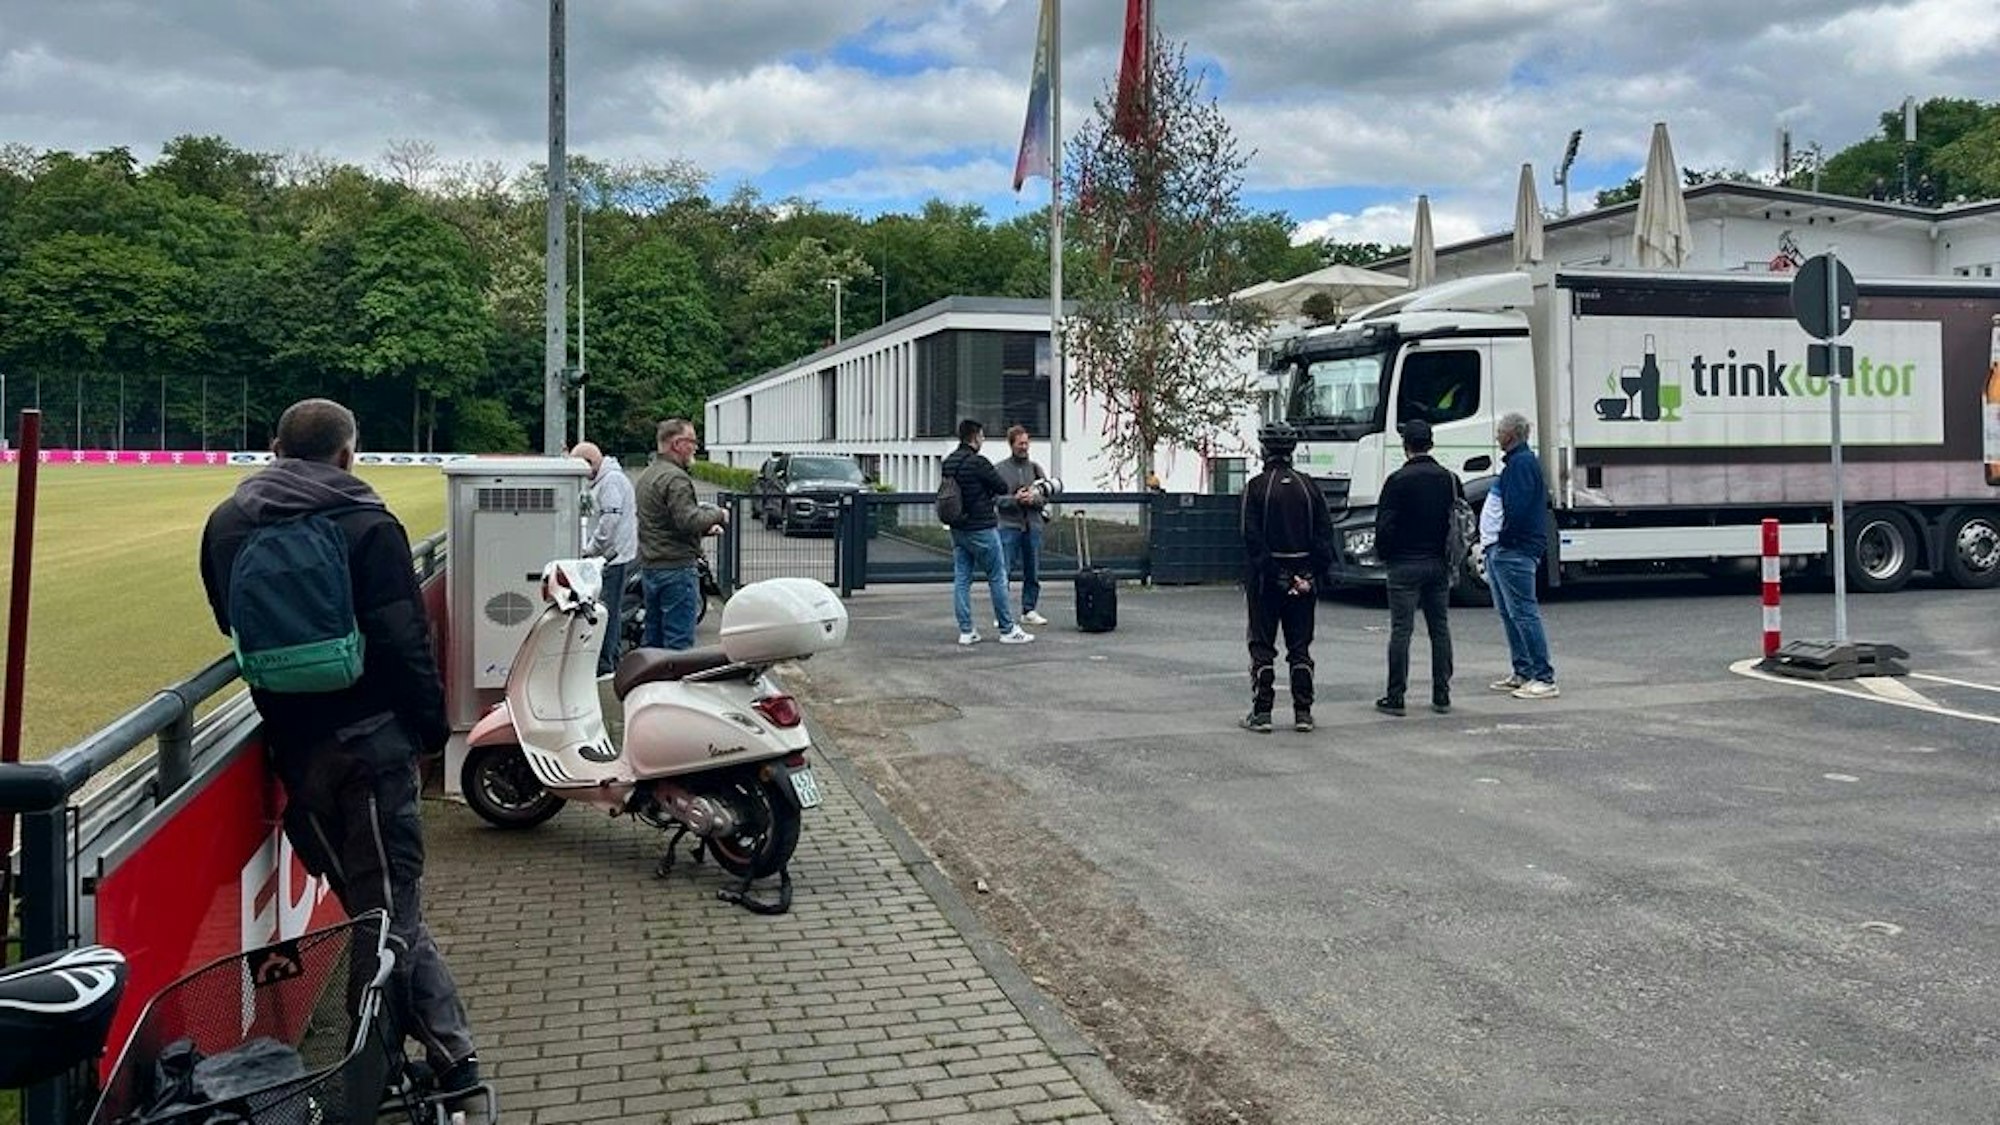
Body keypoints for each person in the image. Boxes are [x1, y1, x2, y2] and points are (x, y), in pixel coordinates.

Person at [198, 398, 478, 1095]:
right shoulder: (367, 521)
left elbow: (227, 617)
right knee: (389, 920)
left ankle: (444, 1054)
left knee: (374, 915)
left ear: (273, 448)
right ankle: (383, 1069)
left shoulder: (228, 522)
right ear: (349, 453)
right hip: (373, 745)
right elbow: (405, 640)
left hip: (296, 749)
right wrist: (429, 731)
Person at [1239, 423, 1333, 733]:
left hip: (1267, 581)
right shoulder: (1310, 487)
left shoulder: (1255, 487)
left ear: (1264, 450)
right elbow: (1324, 538)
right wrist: (1306, 576)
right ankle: (1303, 712)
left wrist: (1278, 576)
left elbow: (1251, 540)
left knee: (1262, 644)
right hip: (1303, 580)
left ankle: (1262, 711)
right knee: (1300, 646)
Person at [1373, 420, 1458, 716]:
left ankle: (1396, 696)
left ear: (1405, 444)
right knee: (1440, 629)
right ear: (1431, 443)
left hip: (1403, 564)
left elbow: (1384, 526)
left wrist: (1386, 555)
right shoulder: (1449, 479)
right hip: (1438, 562)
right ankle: (1442, 694)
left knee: (1401, 630)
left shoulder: (1397, 481)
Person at [635, 418, 726, 650]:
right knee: (679, 645)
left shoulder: (647, 475)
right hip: (676, 569)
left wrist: (704, 531)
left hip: (651, 568)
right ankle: (674, 686)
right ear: (677, 444)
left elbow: (662, 524)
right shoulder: (675, 478)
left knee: (654, 640)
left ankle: (652, 684)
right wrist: (718, 514)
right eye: (692, 441)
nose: (695, 447)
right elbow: (688, 520)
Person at [942, 418, 1035, 646]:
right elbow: (1001, 487)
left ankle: (966, 630)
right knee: (997, 575)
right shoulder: (979, 462)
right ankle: (1007, 628)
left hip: (958, 527)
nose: (983, 440)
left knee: (962, 578)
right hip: (981, 526)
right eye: (982, 436)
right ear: (975, 437)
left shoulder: (949, 462)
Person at [1487, 411, 1558, 699]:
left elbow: (1517, 507)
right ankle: (1523, 670)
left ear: (1511, 435)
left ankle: (1543, 676)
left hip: (1513, 550)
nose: (1496, 436)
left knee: (1524, 613)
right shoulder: (1518, 463)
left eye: (1500, 431)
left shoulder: (1521, 465)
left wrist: (1504, 540)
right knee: (1510, 613)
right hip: (1503, 549)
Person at [570, 440, 636, 676]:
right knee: (608, 612)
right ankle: (606, 662)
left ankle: (606, 665)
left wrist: (591, 549)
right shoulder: (604, 480)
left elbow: (609, 522)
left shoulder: (611, 482)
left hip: (610, 559)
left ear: (590, 463)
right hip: (608, 557)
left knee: (606, 613)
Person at [993, 424, 1052, 628]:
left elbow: (1045, 497)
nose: (1024, 447)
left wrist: (1033, 500)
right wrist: (1015, 500)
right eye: (1020, 444)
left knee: (1032, 570)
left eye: (1027, 443)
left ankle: (1029, 609)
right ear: (1011, 445)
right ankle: (1002, 612)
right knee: (1004, 571)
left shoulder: (1035, 469)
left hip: (1032, 525)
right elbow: (995, 499)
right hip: (1008, 526)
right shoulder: (999, 470)